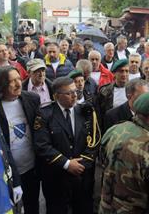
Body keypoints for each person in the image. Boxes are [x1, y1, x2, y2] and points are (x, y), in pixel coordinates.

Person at [34, 77, 100, 214]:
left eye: (75, 91)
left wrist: (81, 165)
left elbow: (94, 141)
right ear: (57, 96)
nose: (75, 95)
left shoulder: (84, 111)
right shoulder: (45, 114)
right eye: (69, 93)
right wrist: (67, 164)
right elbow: (42, 145)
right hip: (56, 177)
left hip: (82, 176)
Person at [0, 66, 41, 214]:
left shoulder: (32, 99)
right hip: (9, 172)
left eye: (19, 79)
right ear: (1, 84)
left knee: (33, 205)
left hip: (31, 168)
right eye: (12, 81)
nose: (18, 84)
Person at [98, 59, 129, 124]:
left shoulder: (133, 89)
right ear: (114, 73)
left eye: (127, 71)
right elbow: (101, 114)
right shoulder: (105, 91)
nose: (124, 74)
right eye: (121, 71)